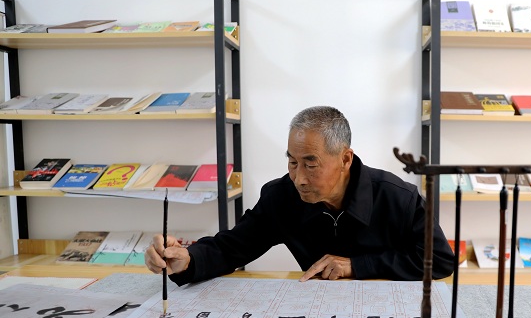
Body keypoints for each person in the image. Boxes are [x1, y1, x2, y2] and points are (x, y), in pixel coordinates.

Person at [145, 106, 454, 283]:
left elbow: (439, 260)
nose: (299, 179)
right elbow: (231, 248)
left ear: (345, 159)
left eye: (311, 164)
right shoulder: (281, 197)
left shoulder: (398, 197)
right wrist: (188, 259)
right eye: (292, 162)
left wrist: (357, 265)